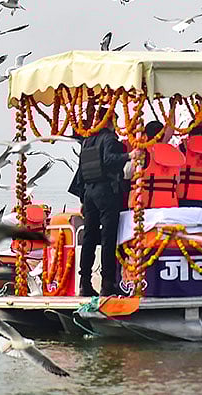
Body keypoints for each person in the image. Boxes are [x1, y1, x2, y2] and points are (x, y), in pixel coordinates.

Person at [72, 113, 130, 297]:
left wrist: (82, 197)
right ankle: (107, 283)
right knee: (108, 238)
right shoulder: (109, 139)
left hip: (89, 193)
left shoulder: (87, 141)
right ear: (112, 121)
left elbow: (82, 169)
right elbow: (109, 160)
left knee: (89, 237)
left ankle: (84, 283)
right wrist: (129, 155)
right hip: (106, 192)